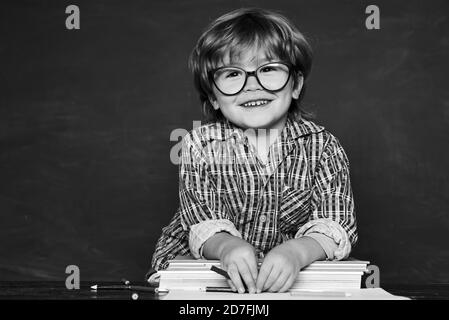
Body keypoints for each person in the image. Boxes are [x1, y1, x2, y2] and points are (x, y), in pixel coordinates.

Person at [150, 7, 358, 294]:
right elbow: (202, 221)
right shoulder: (199, 145)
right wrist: (227, 246)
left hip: (290, 279)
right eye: (233, 74)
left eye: (268, 69)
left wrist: (297, 252)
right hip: (204, 273)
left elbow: (336, 224)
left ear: (295, 84)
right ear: (213, 95)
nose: (252, 86)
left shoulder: (323, 147)